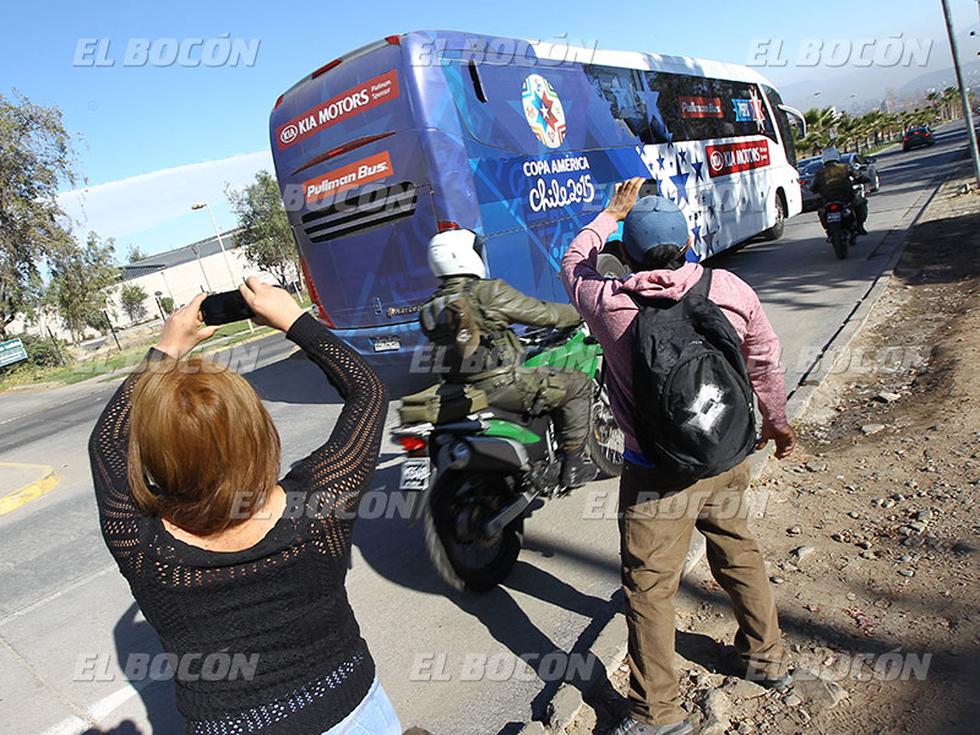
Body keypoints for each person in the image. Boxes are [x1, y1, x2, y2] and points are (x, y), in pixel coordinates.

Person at [89, 279, 400, 735]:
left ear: (153, 453)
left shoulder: (140, 542)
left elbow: (106, 441)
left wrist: (165, 348)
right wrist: (293, 321)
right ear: (257, 432)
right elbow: (368, 391)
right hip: (351, 708)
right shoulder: (318, 504)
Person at [561, 179, 798, 735]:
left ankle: (656, 712)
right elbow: (765, 361)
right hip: (726, 453)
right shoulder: (731, 289)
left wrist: (610, 213)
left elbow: (574, 259)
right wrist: (778, 425)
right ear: (689, 243)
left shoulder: (608, 303)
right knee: (739, 550)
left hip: (656, 473)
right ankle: (765, 658)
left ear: (630, 253)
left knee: (649, 587)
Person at [420, 227, 597, 488]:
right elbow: (542, 313)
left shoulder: (431, 306)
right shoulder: (485, 292)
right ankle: (572, 464)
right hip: (502, 386)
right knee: (578, 384)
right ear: (462, 256)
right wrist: (580, 312)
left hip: (458, 389)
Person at [812, 147, 869, 235]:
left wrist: (816, 190)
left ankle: (829, 230)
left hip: (828, 199)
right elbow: (858, 176)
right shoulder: (845, 167)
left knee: (821, 211)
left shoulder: (819, 173)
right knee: (862, 203)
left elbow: (813, 187)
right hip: (845, 197)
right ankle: (860, 226)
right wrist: (863, 179)